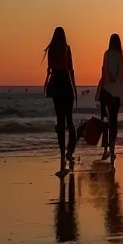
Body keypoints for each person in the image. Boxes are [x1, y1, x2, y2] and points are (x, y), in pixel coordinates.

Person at [43, 26, 78, 175]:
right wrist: (74, 88)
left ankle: (63, 153)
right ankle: (70, 150)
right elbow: (71, 70)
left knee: (60, 120)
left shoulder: (52, 49)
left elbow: (50, 68)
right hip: (66, 83)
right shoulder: (67, 48)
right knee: (69, 120)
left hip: (56, 83)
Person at [96, 33, 123, 163]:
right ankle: (113, 149)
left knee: (105, 119)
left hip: (108, 90)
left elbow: (104, 70)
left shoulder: (107, 54)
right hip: (117, 92)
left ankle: (105, 149)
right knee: (114, 121)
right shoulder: (121, 55)